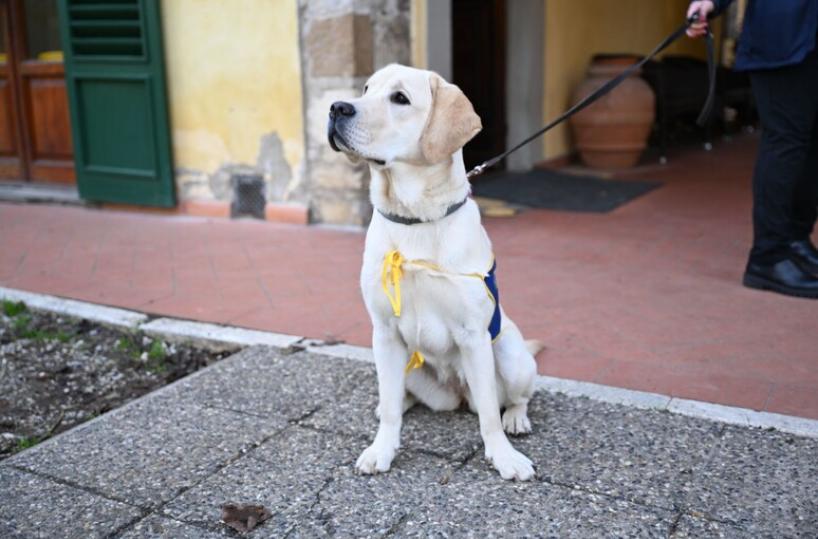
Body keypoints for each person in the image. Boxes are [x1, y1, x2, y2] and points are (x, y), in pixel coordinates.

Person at [687, 0, 818, 298]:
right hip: (783, 35)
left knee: (811, 144)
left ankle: (796, 239)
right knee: (786, 141)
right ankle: (768, 258)